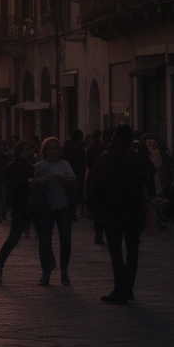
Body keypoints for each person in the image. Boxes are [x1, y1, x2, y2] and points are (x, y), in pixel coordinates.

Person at [88, 125, 148, 304]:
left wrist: (94, 209)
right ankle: (127, 288)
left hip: (111, 211)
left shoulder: (105, 159)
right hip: (134, 211)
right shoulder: (137, 158)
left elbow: (93, 185)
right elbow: (147, 178)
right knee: (132, 251)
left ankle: (120, 288)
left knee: (115, 252)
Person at [32, 137, 77, 286]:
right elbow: (32, 183)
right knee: (44, 241)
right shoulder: (39, 166)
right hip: (45, 209)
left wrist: (64, 180)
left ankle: (64, 271)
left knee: (66, 240)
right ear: (45, 151)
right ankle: (46, 273)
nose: (54, 151)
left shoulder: (65, 165)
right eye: (51, 148)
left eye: (56, 148)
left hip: (63, 207)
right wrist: (38, 183)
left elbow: (73, 181)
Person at [0, 140, 37, 284]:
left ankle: (48, 269)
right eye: (24, 149)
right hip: (19, 206)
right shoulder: (11, 167)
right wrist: (8, 206)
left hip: (34, 205)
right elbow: (11, 186)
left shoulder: (34, 166)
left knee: (44, 237)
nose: (27, 151)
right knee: (13, 238)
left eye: (29, 149)